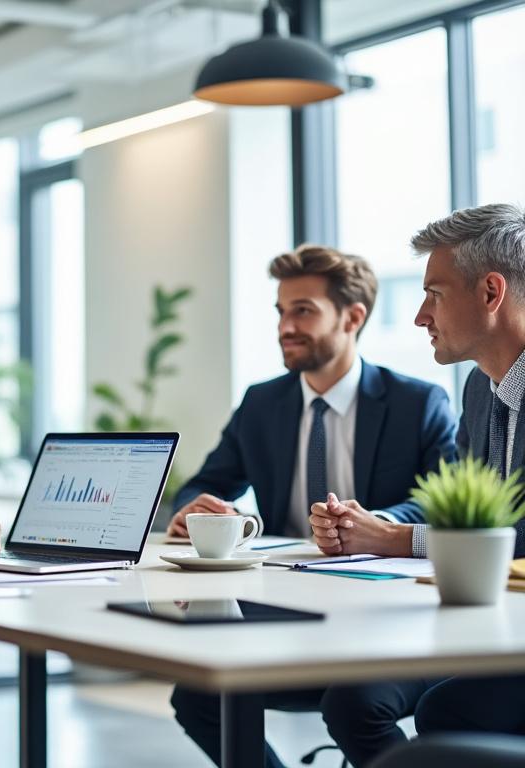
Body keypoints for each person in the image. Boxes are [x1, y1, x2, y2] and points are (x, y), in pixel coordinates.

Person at [167, 244, 457, 768]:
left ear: (353, 317)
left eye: (303, 310)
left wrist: (379, 526)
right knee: (196, 696)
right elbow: (202, 485)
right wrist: (195, 509)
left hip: (389, 621)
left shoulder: (419, 402)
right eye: (281, 311)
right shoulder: (262, 404)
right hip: (290, 615)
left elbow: (448, 502)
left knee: (356, 705)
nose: (285, 326)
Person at [304, 204, 525, 743]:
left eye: (435, 295)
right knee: (355, 701)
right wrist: (378, 531)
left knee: (448, 713)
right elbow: (466, 518)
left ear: (491, 294)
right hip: (486, 621)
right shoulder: (478, 389)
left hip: (509, 633)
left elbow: (510, 542)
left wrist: (396, 539)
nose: (420, 316)